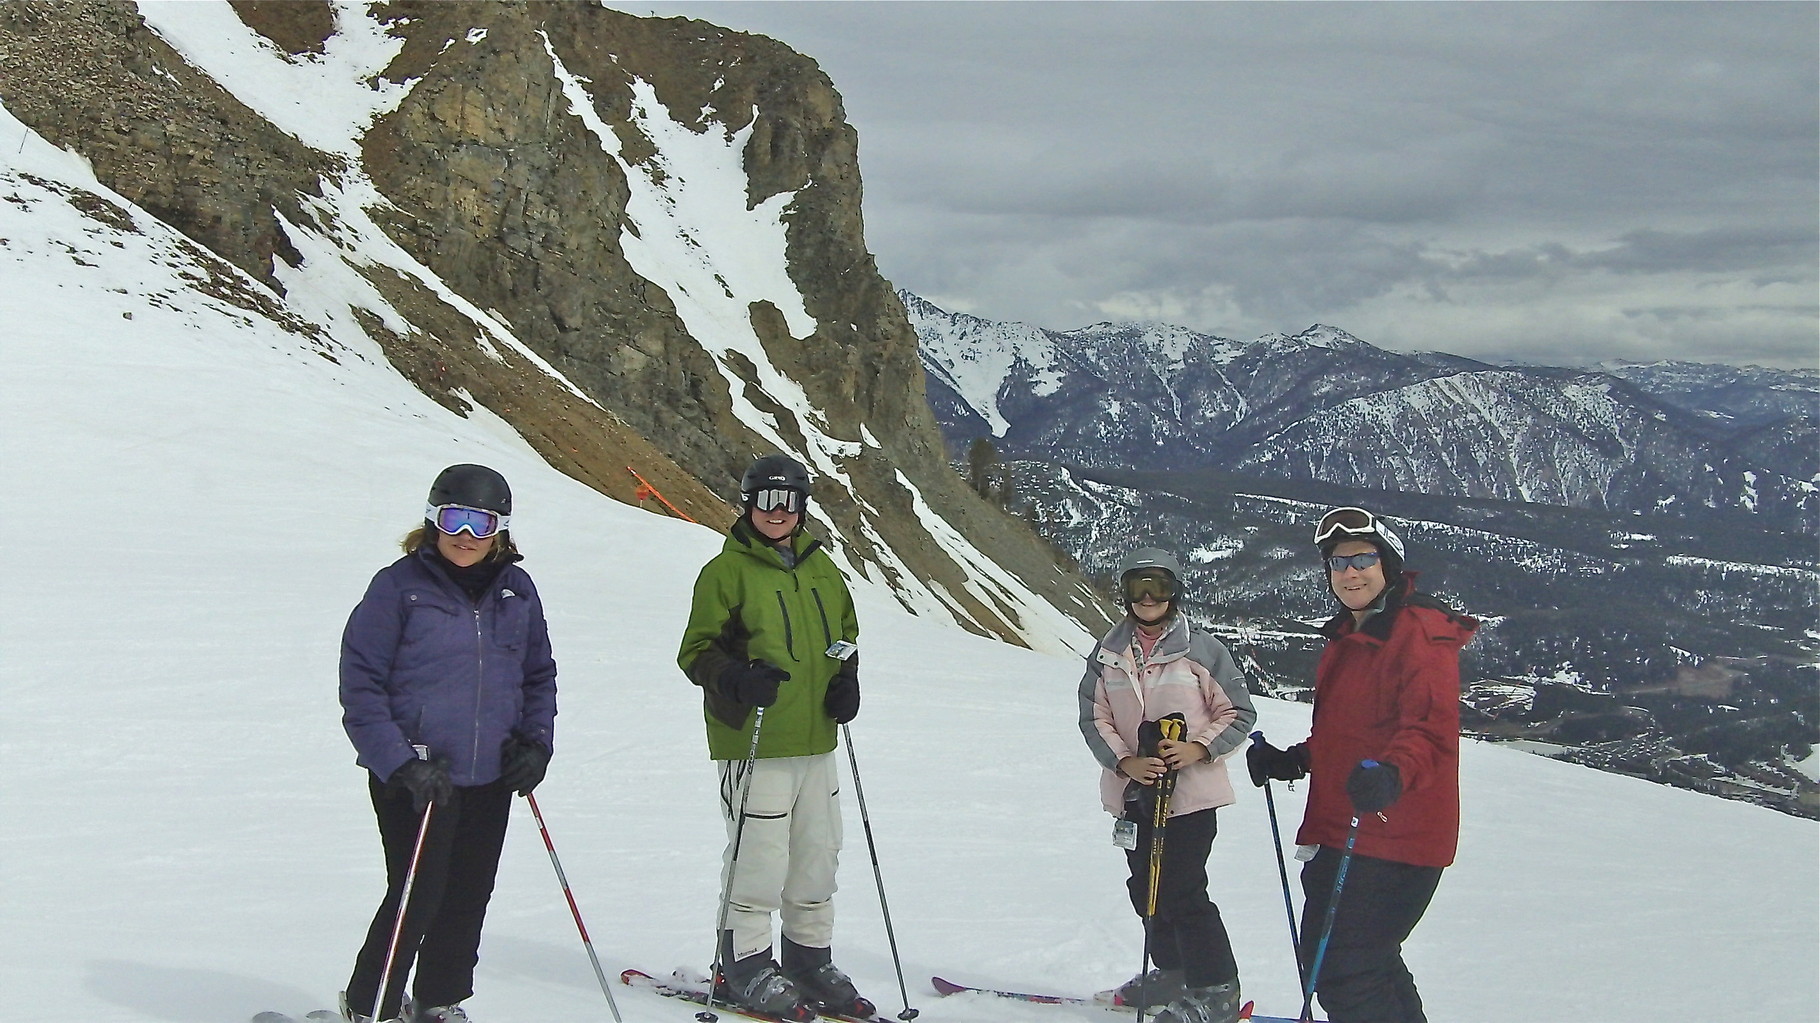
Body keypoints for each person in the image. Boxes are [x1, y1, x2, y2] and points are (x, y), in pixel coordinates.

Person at [337, 464, 557, 1023]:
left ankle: (439, 1000)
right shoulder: (398, 587)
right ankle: (372, 1006)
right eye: (454, 519)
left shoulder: (517, 589)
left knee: (467, 895)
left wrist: (534, 743)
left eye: (480, 523)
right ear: (433, 519)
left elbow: (537, 674)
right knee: (417, 895)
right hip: (419, 775)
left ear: (499, 529)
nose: (466, 535)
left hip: (490, 774)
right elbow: (361, 685)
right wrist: (398, 763)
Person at [1246, 506, 1476, 1023]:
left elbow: (1428, 729)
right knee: (1356, 963)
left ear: (1388, 565)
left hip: (1397, 833)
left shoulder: (1419, 633)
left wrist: (1392, 774)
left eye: (1363, 559)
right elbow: (1347, 733)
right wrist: (1295, 760)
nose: (1350, 572)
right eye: (1338, 563)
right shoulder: (1352, 633)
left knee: (1347, 970)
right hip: (1344, 825)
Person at [677, 454, 868, 1022]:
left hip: (817, 739)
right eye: (766, 501)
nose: (777, 513)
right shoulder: (725, 572)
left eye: (788, 502)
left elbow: (847, 637)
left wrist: (847, 683)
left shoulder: (821, 569)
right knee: (758, 858)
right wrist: (736, 677)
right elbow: (696, 651)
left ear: (803, 507)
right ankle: (744, 964)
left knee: (818, 854)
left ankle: (808, 959)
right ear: (748, 504)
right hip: (755, 738)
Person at [1079, 548, 1258, 1023]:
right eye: (1138, 586)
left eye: (1157, 585)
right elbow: (1093, 717)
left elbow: (1238, 713)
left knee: (1182, 891)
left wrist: (1198, 749)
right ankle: (1172, 972)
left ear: (1173, 591)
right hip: (1134, 797)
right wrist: (1124, 762)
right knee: (1146, 890)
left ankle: (1215, 987)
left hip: (1191, 799)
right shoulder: (1108, 653)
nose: (1148, 597)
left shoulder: (1200, 650)